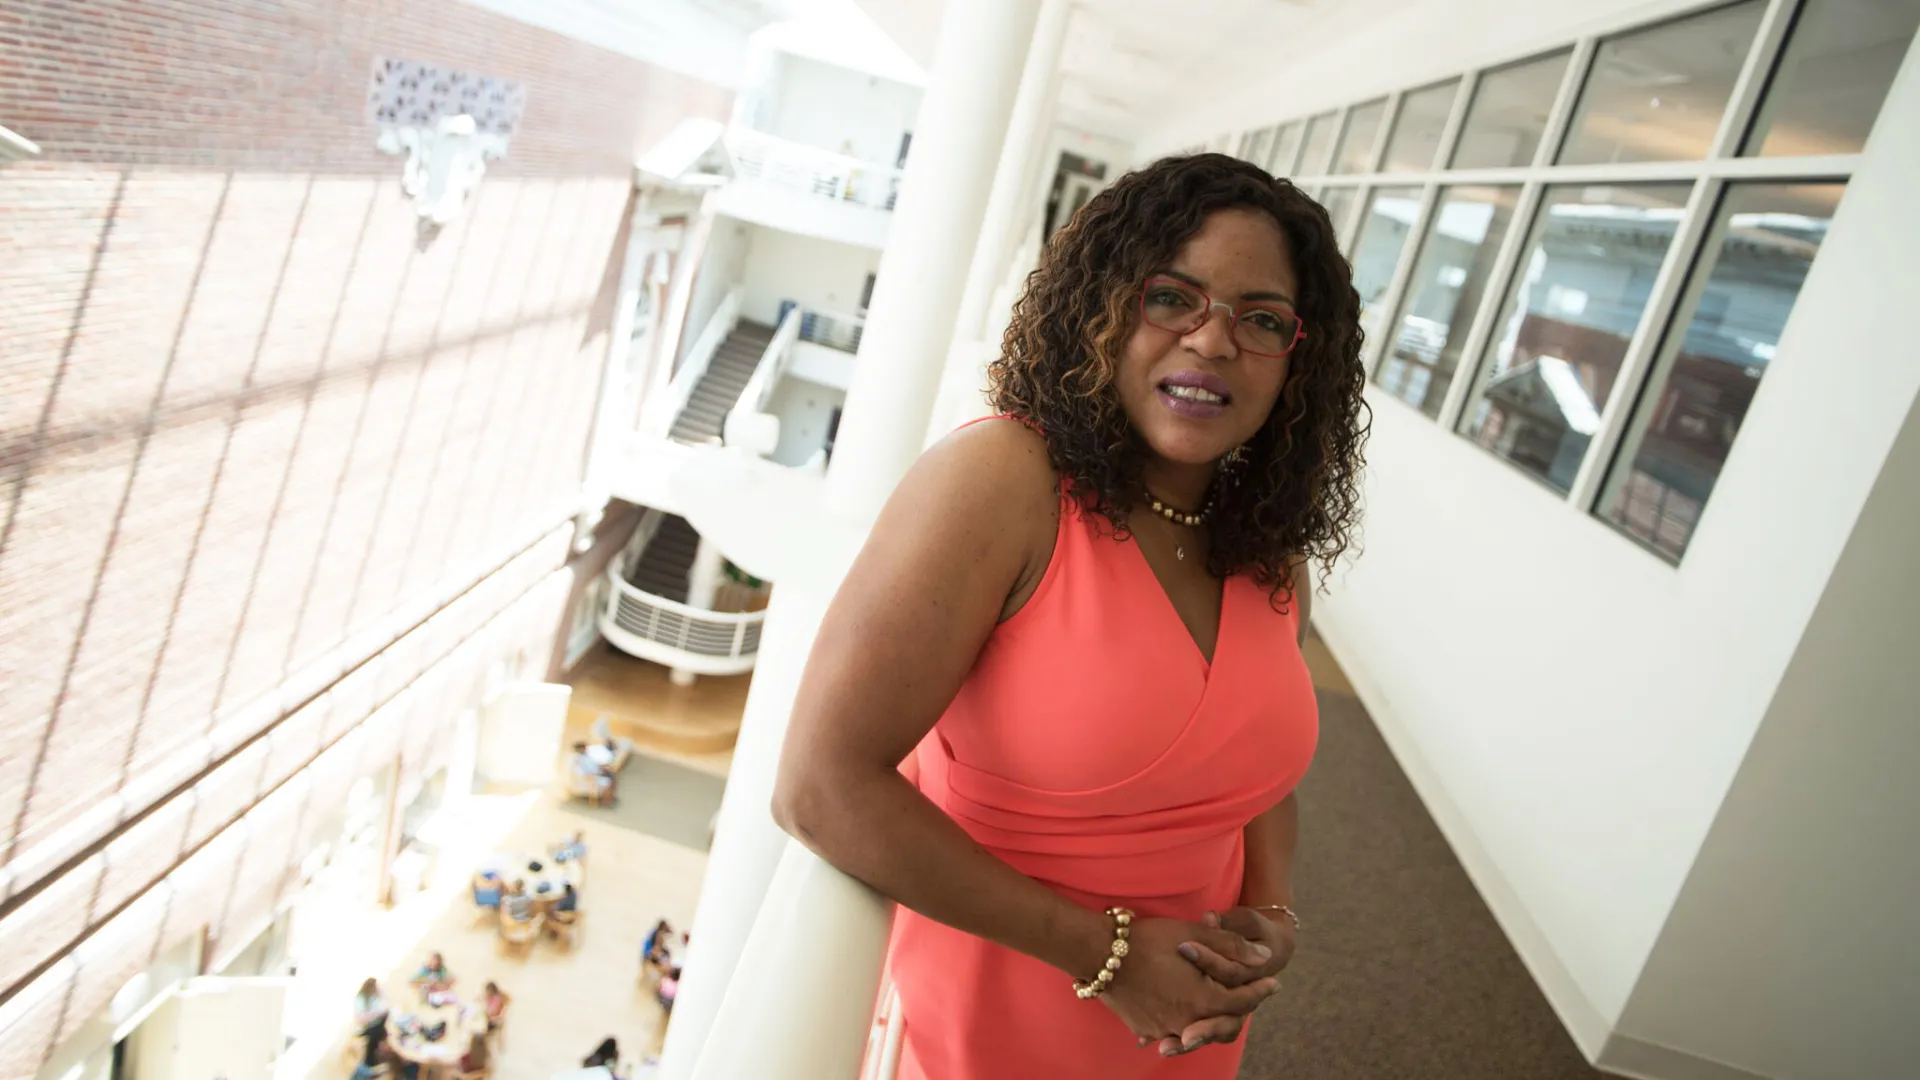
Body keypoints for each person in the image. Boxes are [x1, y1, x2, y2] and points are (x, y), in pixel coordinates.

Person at [772, 154, 1365, 1078]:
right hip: (1016, 1001)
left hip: (1190, 1025)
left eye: (1262, 320)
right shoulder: (1003, 481)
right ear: (1103, 305)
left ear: (1299, 360)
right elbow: (820, 789)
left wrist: (1273, 913)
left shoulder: (1269, 544)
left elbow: (1258, 781)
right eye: (1173, 297)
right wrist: (1110, 956)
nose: (1213, 342)